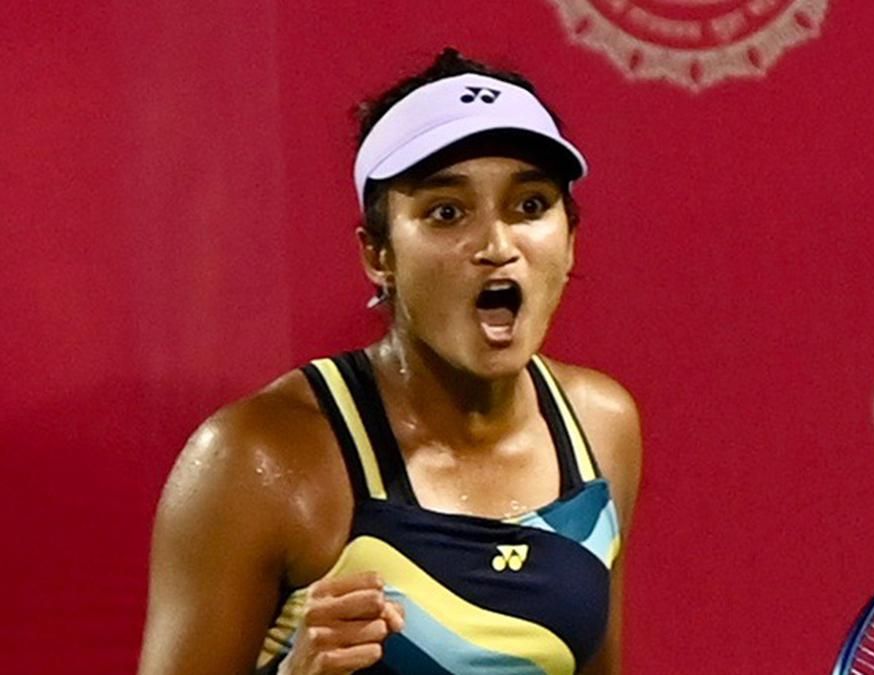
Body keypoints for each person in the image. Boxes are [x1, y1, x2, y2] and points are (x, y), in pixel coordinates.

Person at [138, 49, 643, 675]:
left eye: (531, 206)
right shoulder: (259, 457)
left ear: (571, 241)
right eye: (447, 212)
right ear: (378, 255)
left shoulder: (601, 424)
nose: (497, 245)